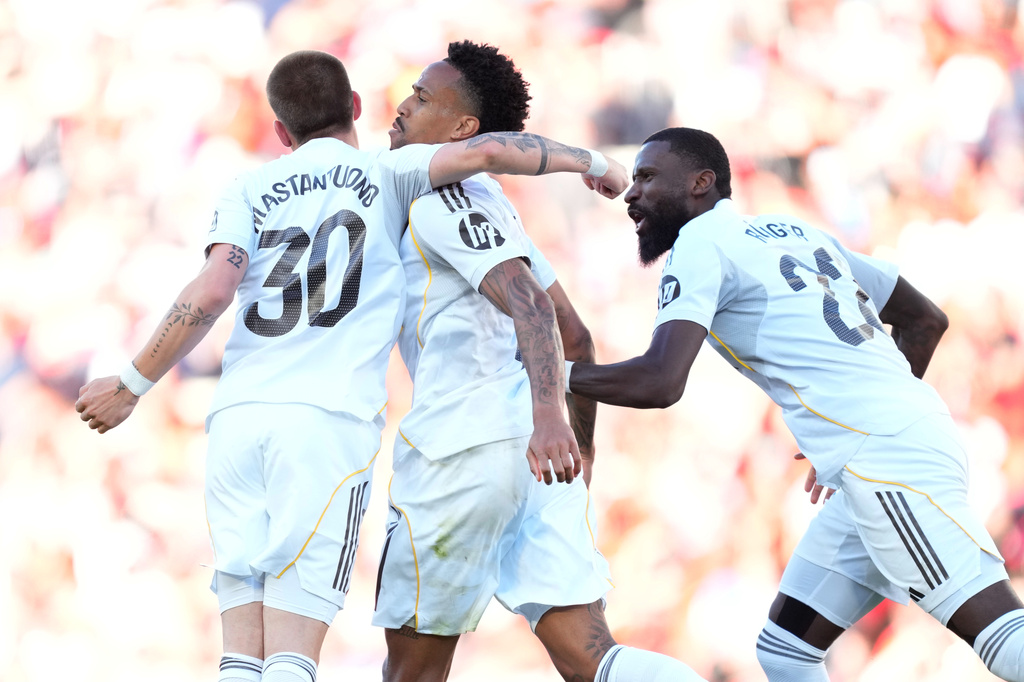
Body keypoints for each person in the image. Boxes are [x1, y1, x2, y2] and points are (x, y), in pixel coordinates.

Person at [74, 50, 628, 682]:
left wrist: (132, 384)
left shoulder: (246, 186)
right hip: (327, 427)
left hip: (236, 419)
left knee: (240, 653)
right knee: (291, 651)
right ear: (356, 108)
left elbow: (210, 292)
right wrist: (599, 164)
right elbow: (494, 157)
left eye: (421, 97)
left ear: (281, 134)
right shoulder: (389, 174)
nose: (406, 105)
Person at [565, 126, 1024, 681]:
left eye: (645, 177)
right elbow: (925, 319)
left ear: (700, 183)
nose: (631, 194)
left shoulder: (699, 243)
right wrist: (861, 415)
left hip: (887, 459)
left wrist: (546, 375)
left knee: (1000, 635)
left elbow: (659, 383)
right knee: (786, 651)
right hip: (887, 447)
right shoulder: (794, 232)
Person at [372, 41, 706, 682]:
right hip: (539, 464)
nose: (403, 107)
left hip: (461, 449)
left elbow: (529, 306)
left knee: (411, 672)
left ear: (464, 129)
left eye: (421, 98)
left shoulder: (427, 194)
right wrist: (579, 454)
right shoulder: (497, 206)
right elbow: (576, 338)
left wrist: (549, 415)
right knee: (592, 660)